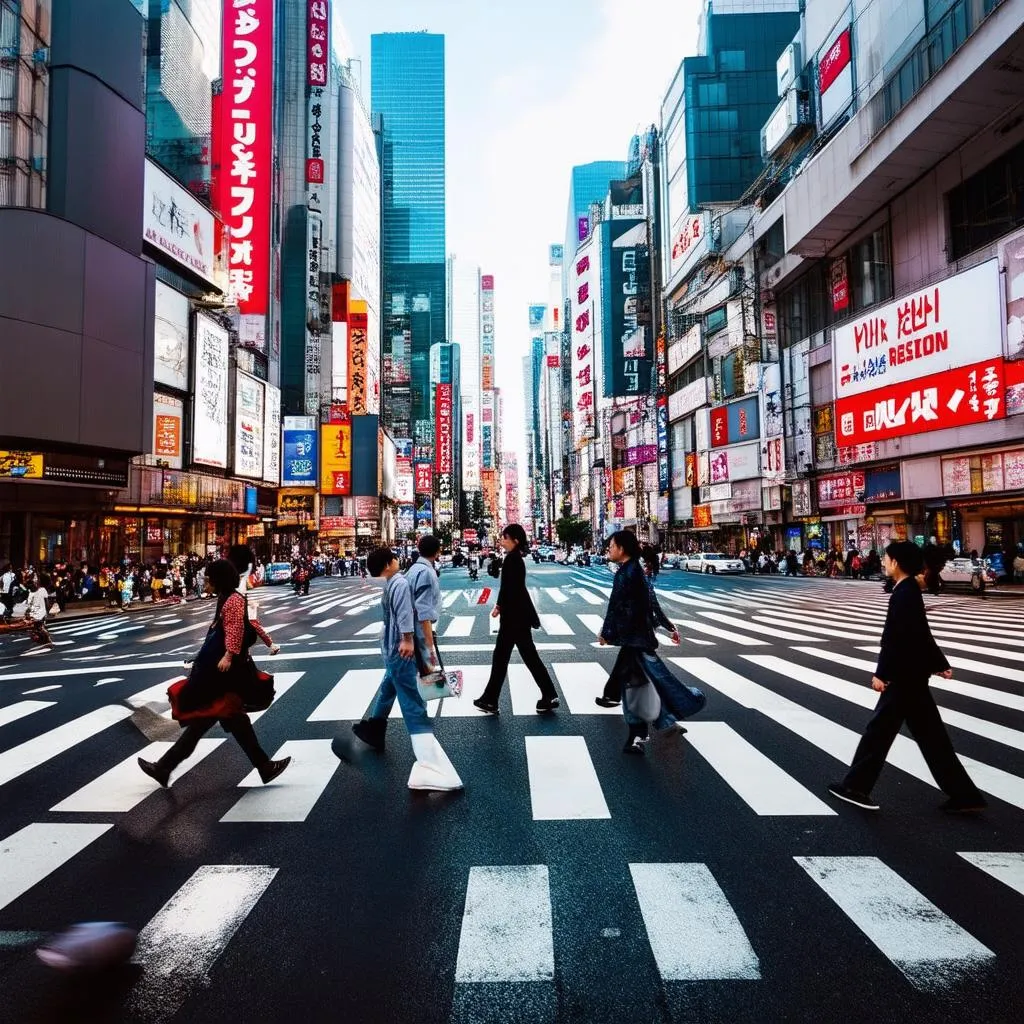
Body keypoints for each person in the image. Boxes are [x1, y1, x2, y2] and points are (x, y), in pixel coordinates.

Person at [827, 541, 987, 814]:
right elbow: (920, 634)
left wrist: (881, 673)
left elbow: (895, 639)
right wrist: (938, 663)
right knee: (932, 738)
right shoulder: (909, 590)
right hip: (913, 678)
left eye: (886, 558)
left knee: (878, 733)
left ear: (896, 563)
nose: (883, 562)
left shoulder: (904, 594)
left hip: (902, 679)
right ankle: (965, 795)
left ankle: (856, 787)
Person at [137, 560, 290, 788]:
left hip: (226, 676)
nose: (206, 583)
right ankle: (264, 767)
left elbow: (235, 629)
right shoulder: (227, 598)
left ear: (219, 579)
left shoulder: (234, 600)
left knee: (208, 723)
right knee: (230, 723)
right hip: (223, 677)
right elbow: (219, 632)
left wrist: (228, 655)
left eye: (210, 579)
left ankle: (164, 767)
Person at [344, 548, 463, 791]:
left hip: (392, 651)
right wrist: (408, 639)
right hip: (401, 650)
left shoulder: (392, 583)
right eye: (395, 558)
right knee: (413, 704)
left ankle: (376, 728)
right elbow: (405, 615)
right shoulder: (398, 583)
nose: (399, 560)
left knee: (389, 687)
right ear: (388, 564)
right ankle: (429, 764)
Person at [473, 524, 560, 715]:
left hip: (514, 618)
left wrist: (499, 606)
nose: (501, 540)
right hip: (518, 616)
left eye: (505, 537)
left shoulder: (513, 560)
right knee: (525, 657)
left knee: (503, 657)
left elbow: (510, 589)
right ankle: (548, 694)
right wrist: (499, 605)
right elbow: (512, 588)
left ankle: (491, 699)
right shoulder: (514, 559)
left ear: (516, 540)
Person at [596, 544, 681, 710]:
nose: (645, 568)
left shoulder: (641, 579)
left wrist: (669, 627)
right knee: (637, 670)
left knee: (647, 672)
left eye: (646, 565)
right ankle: (615, 697)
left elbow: (652, 606)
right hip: (636, 632)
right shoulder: (637, 576)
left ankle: (668, 711)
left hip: (639, 633)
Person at [226, 544, 280, 655]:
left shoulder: (236, 579)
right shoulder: (241, 576)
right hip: (243, 604)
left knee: (251, 625)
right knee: (253, 625)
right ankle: (269, 645)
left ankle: (270, 645)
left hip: (242, 606)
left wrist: (229, 655)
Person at [406, 535, 443, 669]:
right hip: (418, 631)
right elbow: (424, 613)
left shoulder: (413, 569)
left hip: (410, 628)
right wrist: (430, 646)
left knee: (400, 675)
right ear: (438, 551)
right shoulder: (426, 572)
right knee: (426, 673)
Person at [24, 576, 54, 649]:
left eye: (32, 584)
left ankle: (49, 641)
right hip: (34, 614)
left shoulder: (42, 590)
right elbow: (29, 606)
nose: (31, 586)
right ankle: (44, 640)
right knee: (37, 628)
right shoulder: (30, 594)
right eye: (29, 586)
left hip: (41, 613)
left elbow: (47, 602)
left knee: (40, 627)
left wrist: (48, 611)